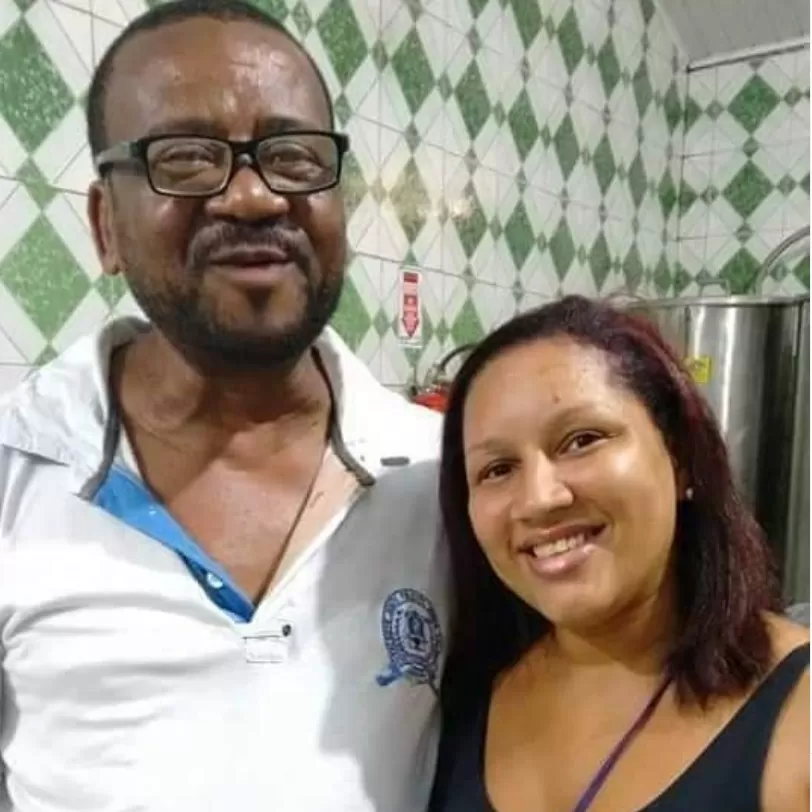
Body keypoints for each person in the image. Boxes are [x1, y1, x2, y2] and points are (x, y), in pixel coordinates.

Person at [0, 1, 448, 810]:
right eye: (186, 158)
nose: (253, 197)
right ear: (105, 226)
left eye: (294, 156)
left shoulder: (444, 476)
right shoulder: (15, 470)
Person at [429, 295, 809, 812]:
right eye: (497, 469)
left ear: (680, 457)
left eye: (582, 440)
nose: (539, 499)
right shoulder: (462, 699)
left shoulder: (797, 711)